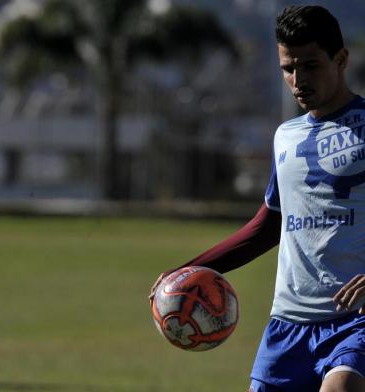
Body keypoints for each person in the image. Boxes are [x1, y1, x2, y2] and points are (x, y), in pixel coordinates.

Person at [149, 5, 365, 392]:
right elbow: (269, 225)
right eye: (288, 68)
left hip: (356, 318)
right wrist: (188, 270)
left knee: (342, 387)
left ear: (341, 59)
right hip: (289, 322)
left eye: (311, 66)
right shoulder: (287, 136)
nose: (298, 80)